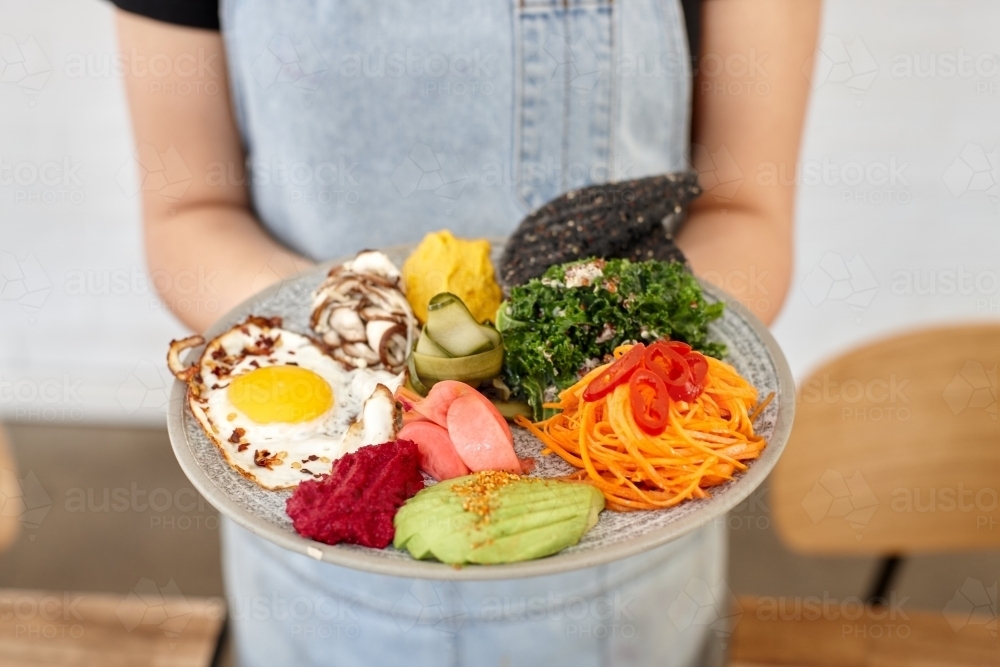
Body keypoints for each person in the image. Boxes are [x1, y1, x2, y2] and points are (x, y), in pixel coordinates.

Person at [112, 1, 818, 664]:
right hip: (312, 591)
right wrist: (350, 333)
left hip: (626, 587)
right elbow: (188, 210)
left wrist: (621, 351)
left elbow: (745, 210)